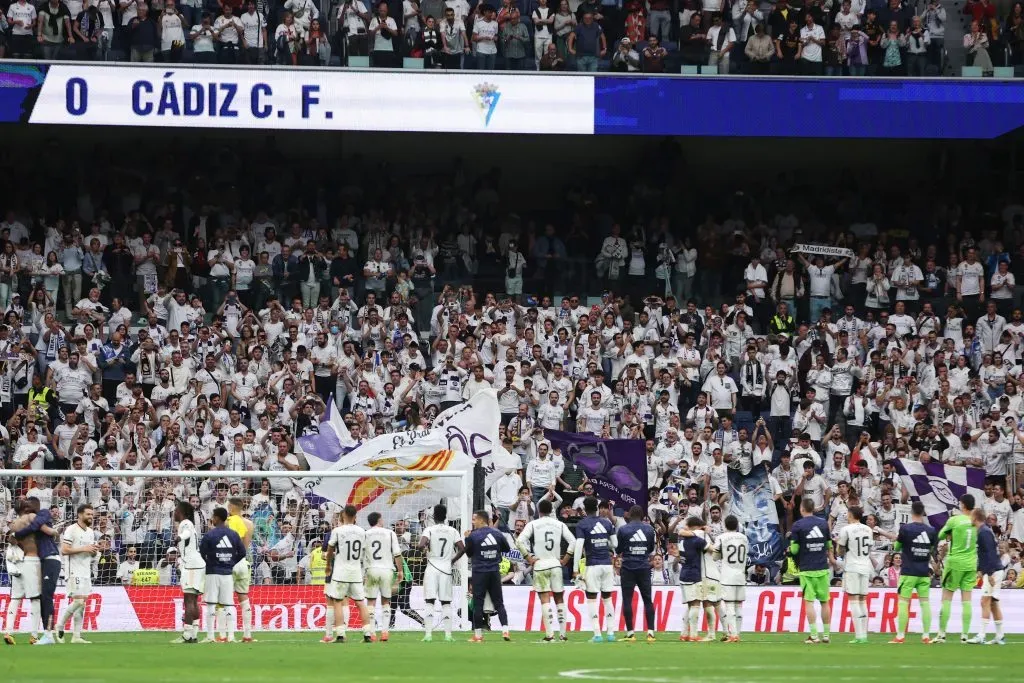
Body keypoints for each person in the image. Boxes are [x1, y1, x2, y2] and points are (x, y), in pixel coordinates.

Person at [517, 499, 576, 642]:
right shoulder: (559, 524)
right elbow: (573, 541)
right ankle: (563, 634)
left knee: (545, 598)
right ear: (551, 510)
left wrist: (529, 558)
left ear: (539, 511)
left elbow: (519, 541)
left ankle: (549, 635)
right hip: (555, 564)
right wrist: (566, 559)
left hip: (540, 565)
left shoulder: (533, 524)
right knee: (559, 598)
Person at [452, 509, 511, 642]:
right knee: (499, 602)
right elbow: (507, 549)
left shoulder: (473, 535)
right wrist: (494, 552)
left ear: (482, 520)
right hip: (494, 571)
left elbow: (469, 554)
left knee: (478, 604)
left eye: (475, 519)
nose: (473, 522)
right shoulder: (497, 533)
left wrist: (467, 538)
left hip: (479, 572)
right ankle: (506, 631)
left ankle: (478, 635)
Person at [11, 496, 61, 644]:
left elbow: (42, 528)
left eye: (27, 505)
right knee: (42, 597)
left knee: (46, 596)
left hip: (51, 558)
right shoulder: (33, 519)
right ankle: (47, 633)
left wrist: (19, 533)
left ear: (33, 506)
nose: (26, 508)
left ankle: (49, 634)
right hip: (43, 561)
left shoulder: (43, 513)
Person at [324, 504, 374, 643]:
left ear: (343, 515)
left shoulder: (338, 531)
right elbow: (366, 552)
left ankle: (340, 634)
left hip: (340, 572)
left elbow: (330, 548)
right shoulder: (362, 532)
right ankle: (367, 634)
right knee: (360, 603)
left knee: (338, 602)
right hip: (356, 572)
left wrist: (328, 565)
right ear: (355, 516)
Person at [890, 500, 937, 644]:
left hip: (908, 572)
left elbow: (897, 547)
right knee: (925, 603)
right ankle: (926, 635)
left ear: (911, 512)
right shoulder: (931, 531)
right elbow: (931, 550)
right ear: (923, 513)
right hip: (924, 572)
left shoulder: (906, 529)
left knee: (904, 603)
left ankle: (900, 636)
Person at [572, 496, 618, 642]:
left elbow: (579, 546)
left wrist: (575, 569)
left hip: (592, 564)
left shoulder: (582, 524)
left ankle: (597, 634)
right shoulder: (606, 523)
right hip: (607, 564)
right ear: (597, 508)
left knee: (592, 598)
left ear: (585, 509)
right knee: (607, 598)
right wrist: (605, 543)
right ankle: (611, 633)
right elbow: (615, 544)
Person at [790, 498, 833, 644]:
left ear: (802, 509)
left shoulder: (798, 525)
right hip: (822, 568)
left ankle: (814, 636)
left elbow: (795, 550)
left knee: (809, 602)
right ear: (813, 508)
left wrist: (791, 548)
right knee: (824, 602)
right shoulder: (823, 523)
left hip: (807, 569)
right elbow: (828, 545)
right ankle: (826, 635)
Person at [418, 504, 464, 642]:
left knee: (429, 601)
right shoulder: (452, 530)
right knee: (446, 602)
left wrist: (425, 550)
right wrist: (452, 560)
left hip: (432, 567)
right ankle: (448, 635)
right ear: (445, 516)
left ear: (434, 516)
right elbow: (462, 548)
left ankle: (428, 634)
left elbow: (421, 545)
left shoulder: (429, 530)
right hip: (446, 568)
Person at [199, 507, 246, 644]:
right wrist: (231, 563)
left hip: (212, 572)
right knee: (229, 604)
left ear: (217, 518)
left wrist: (210, 563)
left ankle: (210, 636)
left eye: (213, 517)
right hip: (227, 573)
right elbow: (242, 553)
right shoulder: (233, 535)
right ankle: (231, 636)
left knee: (211, 605)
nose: (211, 519)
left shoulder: (209, 535)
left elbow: (201, 553)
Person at [936, 494, 978, 643]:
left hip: (955, 563)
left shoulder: (954, 520)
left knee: (946, 598)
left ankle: (941, 634)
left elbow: (941, 535)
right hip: (971, 563)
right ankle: (965, 635)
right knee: (967, 600)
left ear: (962, 505)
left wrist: (950, 532)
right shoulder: (976, 522)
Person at [55, 504, 98, 645]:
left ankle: (76, 636)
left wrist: (94, 551)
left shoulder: (91, 532)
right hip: (73, 570)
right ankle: (60, 625)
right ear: (80, 515)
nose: (91, 517)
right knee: (78, 601)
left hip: (86, 571)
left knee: (82, 605)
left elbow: (89, 551)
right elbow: (64, 550)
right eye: (88, 514)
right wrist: (84, 548)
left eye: (92, 514)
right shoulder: (71, 530)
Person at [615, 504, 656, 642]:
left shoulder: (623, 529)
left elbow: (618, 549)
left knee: (627, 600)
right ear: (643, 515)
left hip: (628, 567)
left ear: (630, 515)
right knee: (647, 600)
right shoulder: (649, 529)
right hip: (644, 567)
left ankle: (630, 633)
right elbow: (651, 549)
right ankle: (650, 632)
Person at [4, 500, 43, 645]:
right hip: (29, 562)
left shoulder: (16, 523)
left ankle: (8, 631)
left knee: (15, 598)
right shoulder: (31, 521)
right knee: (35, 599)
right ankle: (33, 636)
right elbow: (13, 539)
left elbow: (10, 538)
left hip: (16, 564)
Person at [966, 507, 1005, 645]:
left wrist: (988, 573)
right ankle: (1000, 636)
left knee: (985, 601)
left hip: (993, 571)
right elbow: (984, 553)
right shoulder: (985, 531)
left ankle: (981, 635)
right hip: (995, 569)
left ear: (976, 517)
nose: (970, 518)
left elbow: (989, 553)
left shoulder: (983, 532)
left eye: (971, 516)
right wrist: (980, 569)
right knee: (993, 603)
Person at [363, 511, 403, 642]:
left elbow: (362, 554)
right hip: (387, 570)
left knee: (371, 602)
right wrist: (400, 571)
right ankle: (385, 632)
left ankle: (372, 633)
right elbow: (397, 554)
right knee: (386, 601)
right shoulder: (390, 533)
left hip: (372, 570)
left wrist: (363, 572)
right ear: (379, 520)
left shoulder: (365, 534)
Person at [836, 506, 873, 644]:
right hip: (865, 566)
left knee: (854, 600)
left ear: (851, 515)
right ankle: (864, 635)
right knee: (863, 600)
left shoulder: (846, 529)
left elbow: (840, 551)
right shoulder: (868, 529)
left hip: (852, 567)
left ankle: (859, 635)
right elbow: (869, 548)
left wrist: (839, 545)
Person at [171, 500, 205, 644]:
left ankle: (186, 634)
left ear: (182, 512)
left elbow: (186, 533)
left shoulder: (186, 523)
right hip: (196, 564)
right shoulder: (189, 524)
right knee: (193, 600)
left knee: (189, 600)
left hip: (192, 565)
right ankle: (193, 634)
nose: (174, 512)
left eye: (176, 509)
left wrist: (179, 537)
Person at [713, 514, 749, 642]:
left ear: (725, 525)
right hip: (741, 575)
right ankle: (737, 633)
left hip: (727, 576)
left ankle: (733, 634)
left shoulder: (721, 537)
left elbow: (715, 557)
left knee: (729, 606)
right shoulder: (744, 538)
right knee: (739, 605)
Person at [226, 497, 255, 642]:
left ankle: (229, 635)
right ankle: (247, 635)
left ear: (231, 507)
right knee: (244, 597)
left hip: (229, 561)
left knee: (227, 598)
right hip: (243, 561)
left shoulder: (227, 523)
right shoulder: (249, 524)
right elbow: (245, 545)